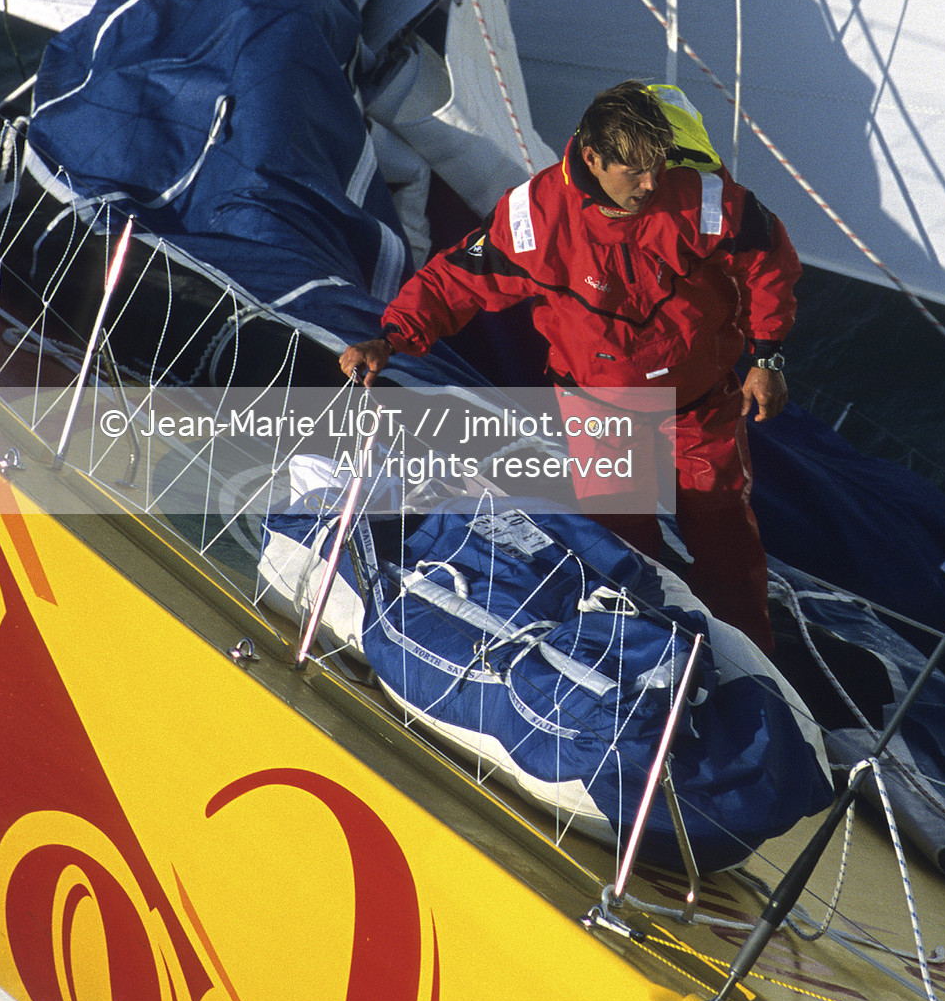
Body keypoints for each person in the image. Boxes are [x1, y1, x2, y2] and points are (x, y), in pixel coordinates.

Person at [339, 81, 799, 652]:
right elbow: (456, 280)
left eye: (657, 166)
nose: (652, 184)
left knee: (726, 533)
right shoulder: (534, 219)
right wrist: (391, 337)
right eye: (634, 171)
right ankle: (637, 653)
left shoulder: (702, 201)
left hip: (701, 406)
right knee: (621, 541)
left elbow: (770, 260)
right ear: (592, 159)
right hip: (598, 407)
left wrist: (767, 357)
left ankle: (757, 661)